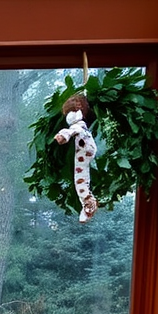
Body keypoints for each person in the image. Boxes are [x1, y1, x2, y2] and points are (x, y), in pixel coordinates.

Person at [53, 93, 97, 222]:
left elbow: (70, 131)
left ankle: (88, 202)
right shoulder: (83, 125)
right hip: (87, 148)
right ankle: (87, 203)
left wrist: (62, 137)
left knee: (80, 179)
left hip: (83, 151)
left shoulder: (77, 125)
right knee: (83, 176)